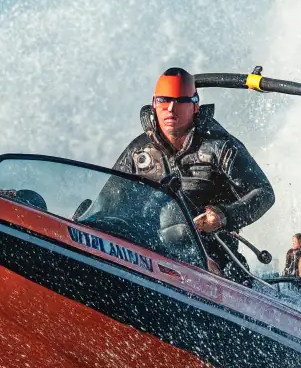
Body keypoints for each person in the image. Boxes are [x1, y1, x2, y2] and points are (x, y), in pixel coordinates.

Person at [114, 67, 274, 276]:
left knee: (172, 216)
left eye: (181, 101)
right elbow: (111, 202)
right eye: (164, 100)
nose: (171, 108)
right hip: (146, 253)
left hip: (213, 258)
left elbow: (265, 193)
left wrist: (224, 215)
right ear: (154, 103)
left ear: (195, 106)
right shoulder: (138, 151)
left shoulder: (221, 146)